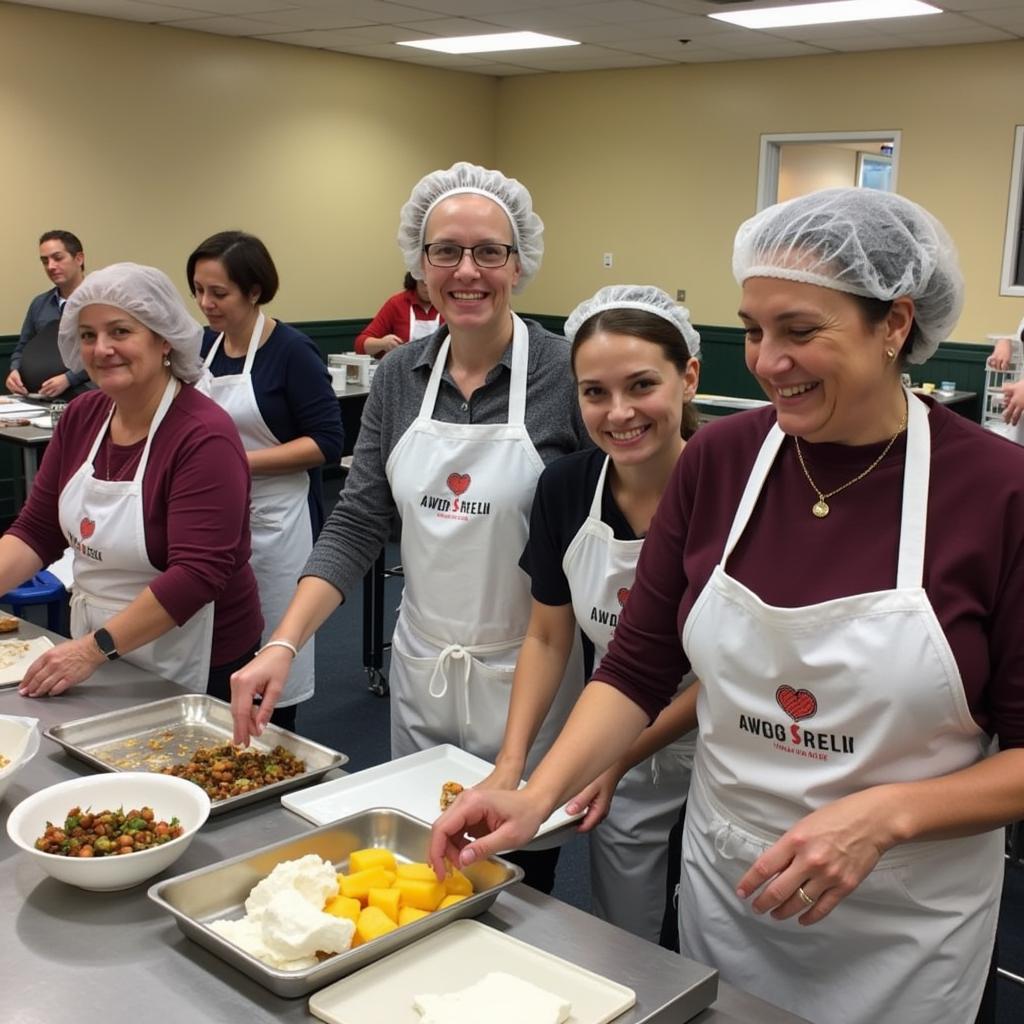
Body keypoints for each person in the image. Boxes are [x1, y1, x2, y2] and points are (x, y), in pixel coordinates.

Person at [431, 188, 1024, 1024]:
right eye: (753, 329)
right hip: (734, 885)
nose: (768, 360)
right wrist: (537, 790)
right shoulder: (721, 460)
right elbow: (636, 668)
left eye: (800, 330)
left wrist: (887, 815)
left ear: (894, 324)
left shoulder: (997, 493)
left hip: (905, 917)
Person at [229, 161, 589, 891]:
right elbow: (359, 520)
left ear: (519, 263)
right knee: (421, 873)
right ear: (419, 266)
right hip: (423, 668)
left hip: (533, 673)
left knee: (521, 884)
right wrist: (283, 641)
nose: (467, 271)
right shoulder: (399, 378)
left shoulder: (566, 373)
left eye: (489, 251)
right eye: (445, 252)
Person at [480, 284, 701, 943]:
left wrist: (624, 751)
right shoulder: (567, 488)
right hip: (618, 730)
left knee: (720, 929)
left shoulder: (733, 491)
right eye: (594, 392)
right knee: (627, 933)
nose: (619, 412)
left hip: (728, 738)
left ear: (688, 376)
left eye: (641, 385)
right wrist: (510, 761)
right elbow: (549, 635)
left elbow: (723, 671)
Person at [0, 262, 262, 698]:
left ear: (163, 339)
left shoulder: (202, 434)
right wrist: (89, 649)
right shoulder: (82, 417)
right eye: (88, 335)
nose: (102, 348)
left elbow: (197, 574)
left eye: (120, 332)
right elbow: (37, 530)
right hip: (94, 643)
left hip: (194, 653)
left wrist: (91, 651)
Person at [187, 231, 344, 732]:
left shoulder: (292, 351)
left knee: (275, 646)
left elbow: (326, 442)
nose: (206, 304)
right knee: (217, 644)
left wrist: (233, 461)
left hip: (277, 523)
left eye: (219, 293)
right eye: (198, 290)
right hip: (217, 520)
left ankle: (275, 743)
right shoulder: (204, 348)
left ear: (254, 291)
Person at [7, 230, 92, 398]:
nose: (51, 266)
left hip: (88, 394)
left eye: (58, 258)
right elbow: (22, 348)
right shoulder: (40, 304)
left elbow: (105, 353)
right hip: (39, 398)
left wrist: (70, 378)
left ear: (79, 258)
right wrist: (15, 370)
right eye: (45, 261)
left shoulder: (99, 302)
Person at [354, 272, 443, 358]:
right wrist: (382, 343)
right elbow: (360, 345)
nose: (427, 288)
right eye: (422, 282)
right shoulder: (397, 304)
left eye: (432, 283)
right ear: (414, 279)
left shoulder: (447, 304)